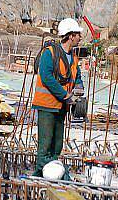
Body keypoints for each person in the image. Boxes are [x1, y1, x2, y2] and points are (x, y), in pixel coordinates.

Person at [32, 17, 84, 177]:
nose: (80, 38)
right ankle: (42, 174)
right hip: (47, 105)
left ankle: (52, 174)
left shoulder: (73, 57)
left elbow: (76, 76)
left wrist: (79, 88)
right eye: (78, 34)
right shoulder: (50, 53)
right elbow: (47, 77)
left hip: (61, 106)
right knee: (45, 145)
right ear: (70, 36)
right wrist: (65, 95)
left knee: (57, 145)